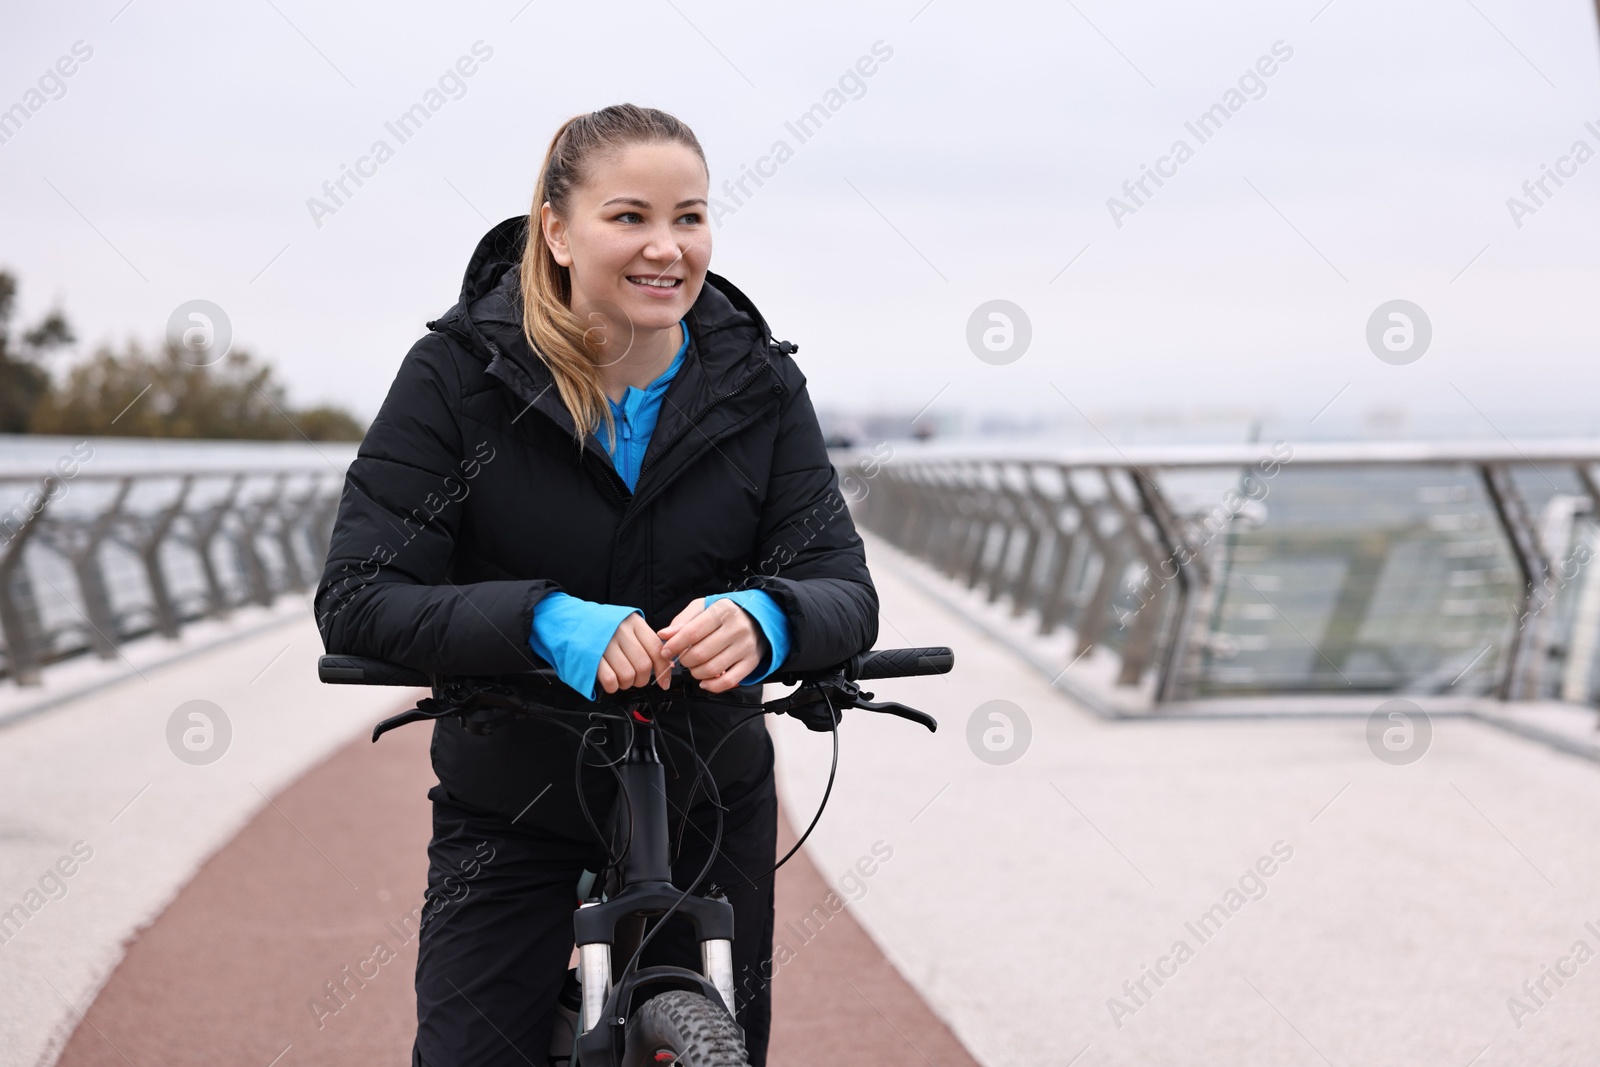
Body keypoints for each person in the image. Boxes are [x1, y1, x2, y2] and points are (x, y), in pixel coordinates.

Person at [312, 103, 879, 1067]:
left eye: (690, 217)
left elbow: (842, 586)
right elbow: (360, 593)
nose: (668, 248)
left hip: (708, 794)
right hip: (514, 799)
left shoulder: (761, 384)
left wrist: (771, 617)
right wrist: (541, 622)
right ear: (557, 230)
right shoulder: (457, 376)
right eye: (630, 217)